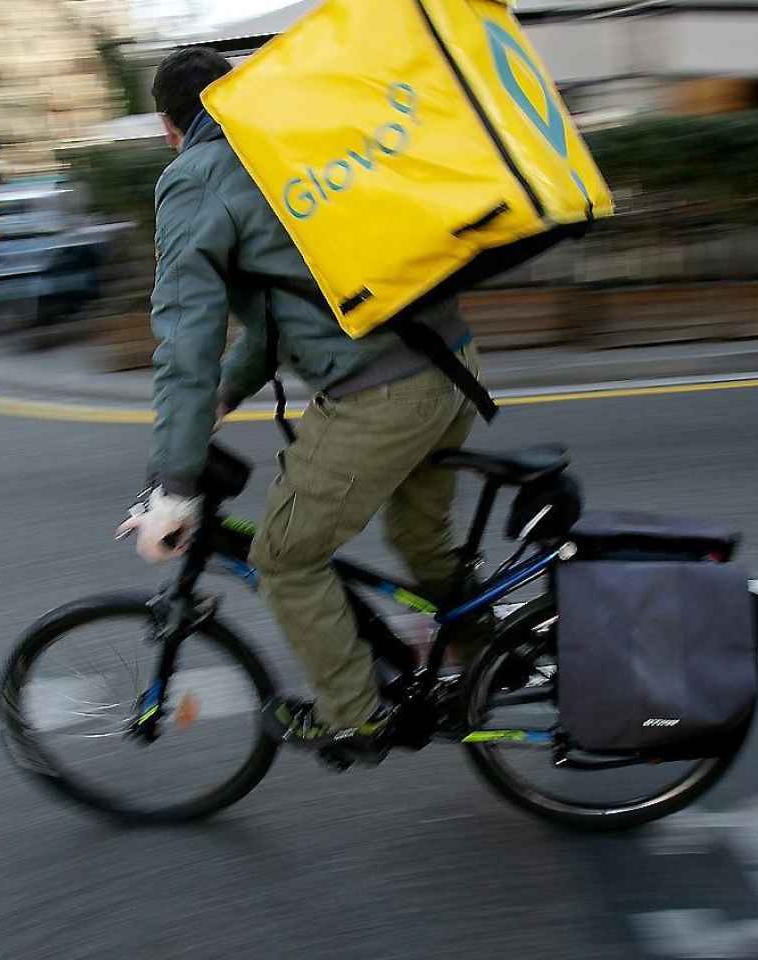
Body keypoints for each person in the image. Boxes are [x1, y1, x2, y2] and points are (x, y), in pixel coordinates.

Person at [116, 47, 484, 765]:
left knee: (283, 557)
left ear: (170, 127)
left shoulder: (196, 179)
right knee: (422, 542)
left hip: (381, 395)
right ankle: (494, 659)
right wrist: (229, 391)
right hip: (452, 364)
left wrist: (174, 485)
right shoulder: (297, 148)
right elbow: (290, 305)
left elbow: (185, 342)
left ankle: (355, 717)